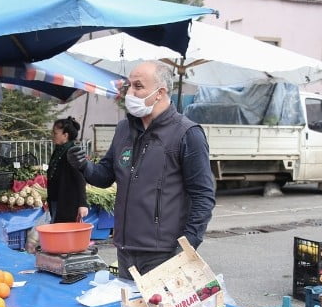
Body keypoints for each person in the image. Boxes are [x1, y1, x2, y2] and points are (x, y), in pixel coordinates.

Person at [68, 60, 216, 279]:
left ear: (160, 92)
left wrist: (188, 245)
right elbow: (105, 177)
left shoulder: (187, 134)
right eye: (129, 86)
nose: (130, 92)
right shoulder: (124, 129)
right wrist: (84, 166)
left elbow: (203, 195)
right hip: (125, 250)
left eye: (138, 86)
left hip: (164, 253)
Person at [45, 116, 88, 224]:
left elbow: (80, 179)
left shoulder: (72, 152)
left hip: (67, 201)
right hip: (56, 199)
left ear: (65, 135)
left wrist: (83, 204)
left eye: (55, 133)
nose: (53, 136)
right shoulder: (58, 150)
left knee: (63, 233)